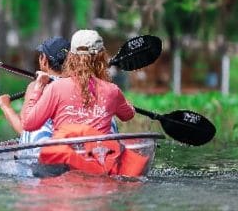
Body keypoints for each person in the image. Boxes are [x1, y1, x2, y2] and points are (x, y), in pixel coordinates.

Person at [19, 29, 146, 177]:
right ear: (102, 57)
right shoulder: (112, 91)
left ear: (71, 57)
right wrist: (123, 101)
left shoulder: (56, 88)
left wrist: (38, 87)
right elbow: (128, 115)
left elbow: (28, 124)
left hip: (63, 167)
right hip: (100, 164)